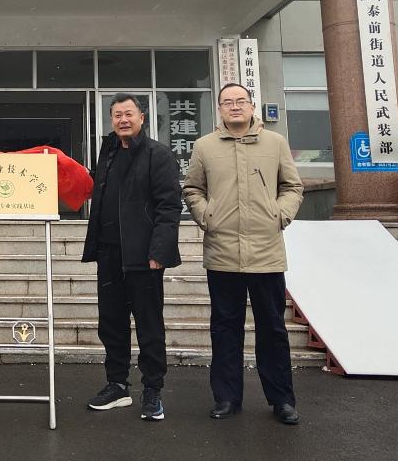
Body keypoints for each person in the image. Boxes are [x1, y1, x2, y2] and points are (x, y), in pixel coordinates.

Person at [183, 83, 304, 426]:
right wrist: (207, 216)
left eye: (240, 101)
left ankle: (282, 400)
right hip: (222, 252)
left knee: (272, 329)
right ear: (219, 109)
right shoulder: (205, 146)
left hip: (266, 252)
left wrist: (279, 215)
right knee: (225, 328)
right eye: (227, 102)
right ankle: (226, 397)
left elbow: (292, 186)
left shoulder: (275, 143)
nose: (234, 106)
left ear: (252, 106)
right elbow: (192, 188)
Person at [82, 93, 183, 422]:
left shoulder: (158, 154)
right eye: (117, 115)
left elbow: (169, 206)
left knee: (149, 325)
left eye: (129, 114)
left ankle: (152, 389)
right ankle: (117, 385)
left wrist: (159, 251)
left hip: (144, 256)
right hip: (109, 254)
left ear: (142, 117)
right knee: (111, 323)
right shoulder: (108, 152)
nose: (123, 120)